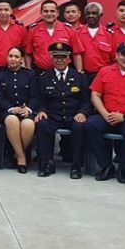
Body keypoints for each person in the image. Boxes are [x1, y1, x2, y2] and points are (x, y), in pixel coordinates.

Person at [85, 42, 125, 183]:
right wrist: (105, 114)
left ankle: (123, 169)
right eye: (124, 55)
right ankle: (106, 166)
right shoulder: (104, 71)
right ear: (116, 56)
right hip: (106, 114)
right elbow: (95, 95)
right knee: (90, 125)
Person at [33, 43, 90, 178]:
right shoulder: (44, 77)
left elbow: (86, 100)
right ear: (52, 58)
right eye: (56, 57)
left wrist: (82, 112)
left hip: (73, 115)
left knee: (79, 126)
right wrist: (41, 110)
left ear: (68, 59)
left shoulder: (79, 77)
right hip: (53, 115)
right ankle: (47, 163)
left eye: (63, 57)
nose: (60, 60)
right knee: (42, 124)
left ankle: (76, 166)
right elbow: (39, 99)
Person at [0, 46, 37, 173]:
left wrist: (28, 109)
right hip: (6, 111)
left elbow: (35, 97)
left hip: (25, 111)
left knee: (28, 124)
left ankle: (15, 154)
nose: (13, 59)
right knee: (12, 120)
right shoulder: (0, 75)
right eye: (10, 56)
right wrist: (10, 108)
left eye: (16, 57)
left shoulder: (30, 74)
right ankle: (21, 158)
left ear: (22, 59)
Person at [25, 0, 84, 74]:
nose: (49, 14)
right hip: (41, 73)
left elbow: (76, 53)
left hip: (64, 73)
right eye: (46, 11)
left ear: (57, 13)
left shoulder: (68, 29)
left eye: (52, 11)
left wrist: (79, 73)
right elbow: (28, 53)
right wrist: (28, 72)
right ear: (41, 13)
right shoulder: (33, 30)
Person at [75, 2, 114, 82]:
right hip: (84, 76)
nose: (91, 16)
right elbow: (75, 56)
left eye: (94, 13)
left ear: (101, 15)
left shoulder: (109, 35)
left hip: (104, 76)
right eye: (88, 13)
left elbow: (114, 58)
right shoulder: (77, 33)